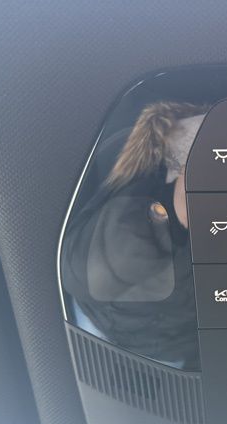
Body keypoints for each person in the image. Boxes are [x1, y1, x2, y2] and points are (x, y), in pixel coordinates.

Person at [61, 101, 206, 369]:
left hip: (178, 353)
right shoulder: (134, 198)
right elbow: (82, 274)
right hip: (99, 335)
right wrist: (170, 218)